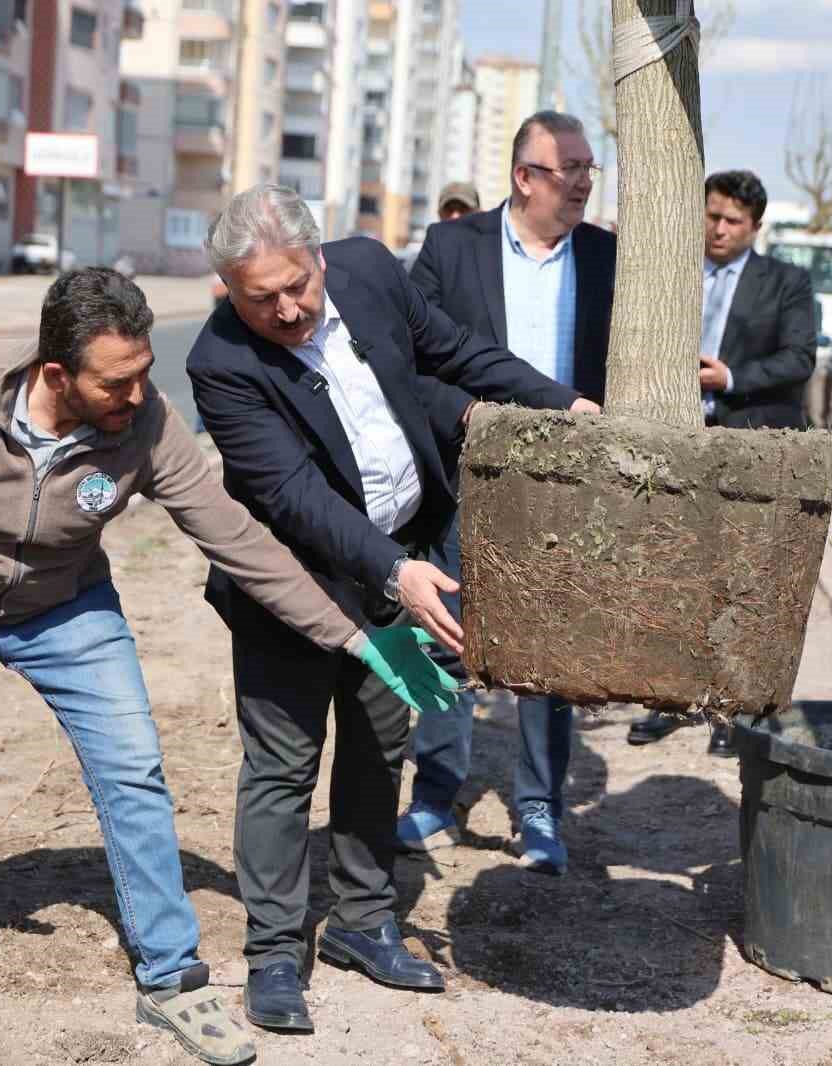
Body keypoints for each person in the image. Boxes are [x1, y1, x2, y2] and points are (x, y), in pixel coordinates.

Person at [0, 267, 455, 1064]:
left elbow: (239, 541)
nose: (137, 395)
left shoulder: (144, 424)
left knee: (133, 772)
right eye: (116, 382)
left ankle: (172, 978)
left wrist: (355, 637)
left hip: (64, 609)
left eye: (143, 373)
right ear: (58, 374)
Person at [186, 184, 598, 1035]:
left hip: (400, 557)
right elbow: (295, 497)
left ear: (320, 259)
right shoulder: (220, 362)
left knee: (380, 745)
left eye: (296, 285)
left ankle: (364, 922)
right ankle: (272, 953)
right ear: (230, 290)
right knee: (283, 766)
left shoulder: (371, 271)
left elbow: (452, 353)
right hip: (292, 590)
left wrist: (561, 404)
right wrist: (396, 573)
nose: (287, 309)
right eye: (259, 297)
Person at [400, 111, 617, 874]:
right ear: (526, 177)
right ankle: (435, 792)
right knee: (447, 631)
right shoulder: (451, 248)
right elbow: (409, 362)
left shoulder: (609, 258)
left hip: (566, 487)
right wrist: (464, 413)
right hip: (466, 471)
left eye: (593, 168)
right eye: (572, 170)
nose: (587, 183)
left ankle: (538, 808)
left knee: (547, 649)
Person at [626, 168, 816, 756]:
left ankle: (733, 712)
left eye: (733, 220)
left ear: (755, 227)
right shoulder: (670, 273)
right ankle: (665, 700)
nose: (719, 228)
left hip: (746, 446)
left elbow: (799, 358)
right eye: (712, 215)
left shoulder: (785, 283)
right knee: (668, 575)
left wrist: (730, 378)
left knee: (742, 583)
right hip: (674, 441)